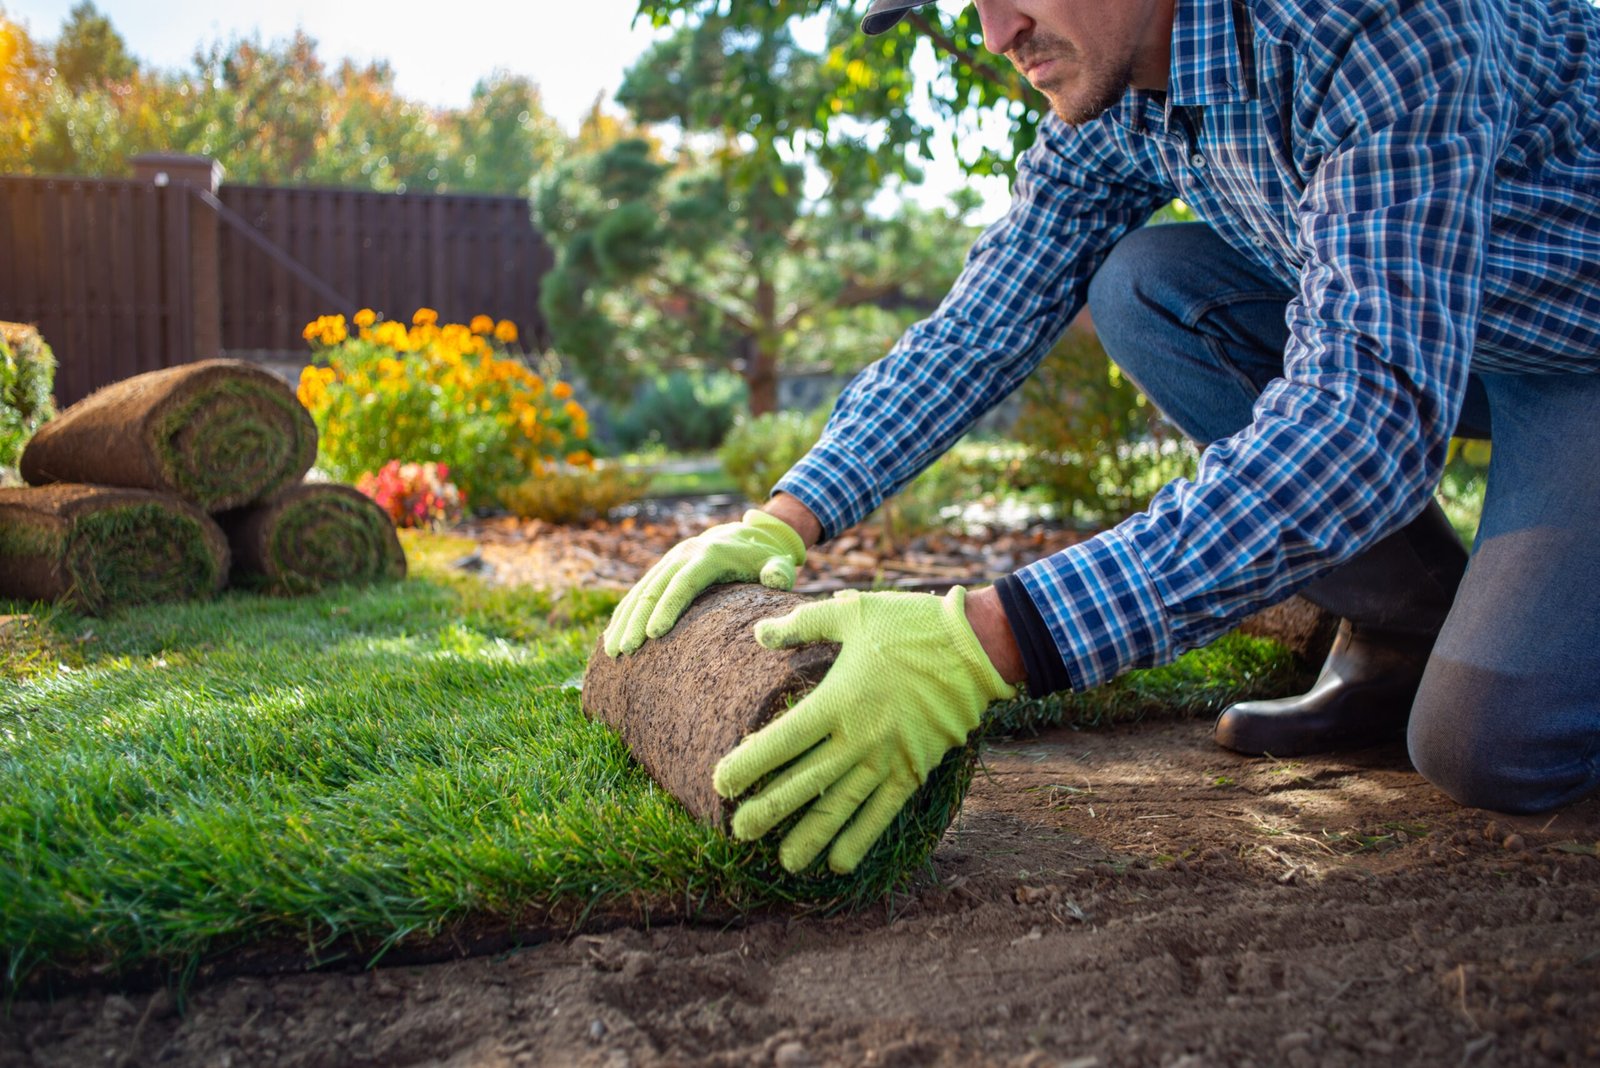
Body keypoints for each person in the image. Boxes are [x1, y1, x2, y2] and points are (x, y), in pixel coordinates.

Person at [604, 0, 1600, 875]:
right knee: (1144, 284)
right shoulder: (1119, 89)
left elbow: (1362, 423)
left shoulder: (1369, 21)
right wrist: (787, 515)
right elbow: (985, 318)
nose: (997, 32)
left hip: (1578, 348)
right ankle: (1409, 627)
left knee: (1491, 746)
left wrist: (987, 639)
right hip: (1452, 328)